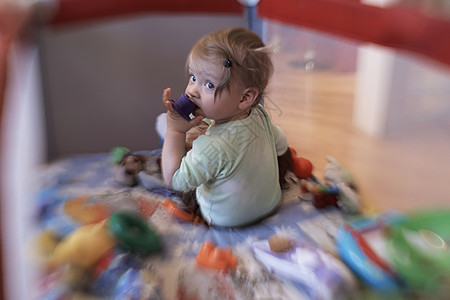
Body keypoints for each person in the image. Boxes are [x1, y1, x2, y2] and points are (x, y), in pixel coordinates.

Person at [161, 27, 290, 227]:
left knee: (182, 182)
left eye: (209, 85)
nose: (192, 91)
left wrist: (174, 131)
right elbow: (280, 143)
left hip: (226, 218)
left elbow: (174, 180)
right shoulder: (259, 115)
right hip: (270, 203)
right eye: (193, 78)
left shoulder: (211, 147)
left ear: (245, 97)